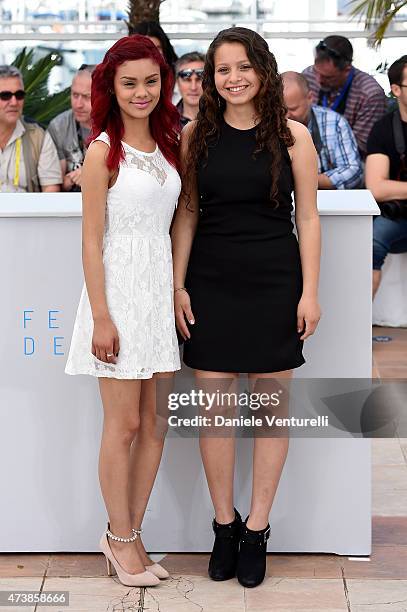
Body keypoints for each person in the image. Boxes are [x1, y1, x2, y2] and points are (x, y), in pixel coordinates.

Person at [171, 27, 321, 588]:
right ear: (211, 79)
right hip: (210, 282)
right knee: (213, 412)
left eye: (242, 66)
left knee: (268, 411)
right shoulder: (195, 136)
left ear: (262, 68)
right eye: (221, 69)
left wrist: (309, 291)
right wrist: (177, 284)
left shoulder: (294, 137)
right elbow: (186, 213)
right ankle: (223, 524)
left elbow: (307, 218)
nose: (233, 78)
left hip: (274, 282)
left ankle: (257, 528)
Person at [64, 35, 182, 587]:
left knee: (157, 423)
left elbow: (178, 220)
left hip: (157, 297)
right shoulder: (100, 152)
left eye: (151, 81)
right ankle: (119, 537)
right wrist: (103, 317)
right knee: (126, 423)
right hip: (115, 301)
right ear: (112, 86)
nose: (142, 92)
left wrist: (178, 288)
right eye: (130, 82)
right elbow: (91, 243)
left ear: (164, 84)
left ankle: (129, 536)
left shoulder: (169, 144)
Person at [302, 36, 387, 157]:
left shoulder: (370, 94)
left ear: (347, 70)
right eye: (316, 72)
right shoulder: (308, 76)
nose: (318, 80)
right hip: (309, 150)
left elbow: (361, 145)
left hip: (351, 157)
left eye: (327, 77)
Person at [366, 55, 407, 297]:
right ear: (395, 90)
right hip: (398, 215)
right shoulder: (383, 129)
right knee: (372, 242)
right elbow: (376, 187)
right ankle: (360, 323)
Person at [282, 71, 362, 189]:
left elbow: (353, 170)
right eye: (281, 110)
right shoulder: (266, 124)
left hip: (328, 200)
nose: (286, 116)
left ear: (310, 98)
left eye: (293, 109)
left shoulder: (335, 122)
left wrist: (304, 181)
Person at [0, 65, 61, 192]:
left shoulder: (38, 136)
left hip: (27, 212)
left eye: (19, 94)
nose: (14, 102)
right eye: (5, 96)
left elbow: (51, 188)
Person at [47, 65, 95, 191]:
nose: (78, 104)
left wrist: (91, 173)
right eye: (75, 95)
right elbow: (57, 183)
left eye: (87, 97)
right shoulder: (59, 126)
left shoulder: (118, 125)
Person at [175, 52, 205, 128]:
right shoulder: (164, 122)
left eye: (199, 79)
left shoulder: (225, 119)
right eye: (187, 80)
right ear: (177, 82)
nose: (193, 87)